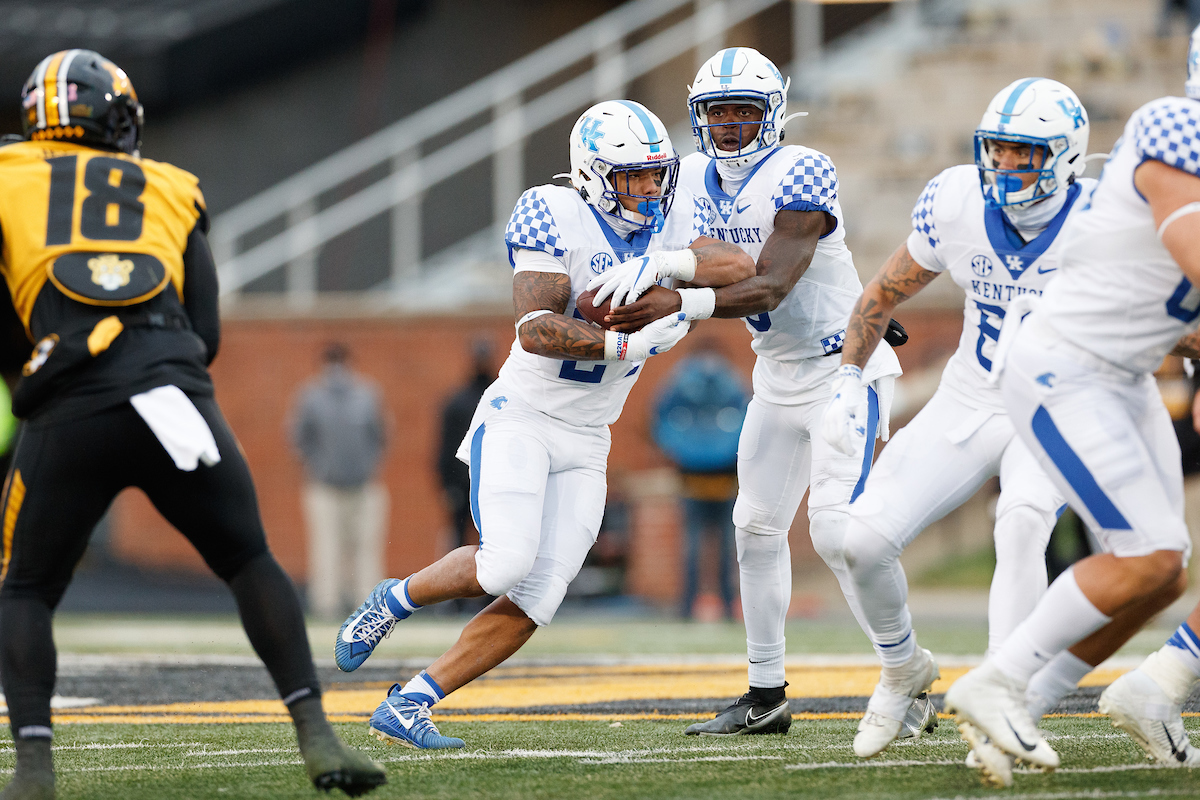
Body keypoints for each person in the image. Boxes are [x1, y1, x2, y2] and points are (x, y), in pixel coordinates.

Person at [0, 50, 385, 799]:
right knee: (249, 561)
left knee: (24, 589)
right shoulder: (170, 186)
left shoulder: (10, 175)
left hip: (70, 403)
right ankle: (316, 732)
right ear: (115, 121)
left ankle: (35, 771)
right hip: (172, 396)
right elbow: (204, 330)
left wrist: (33, 363)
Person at [333, 100, 755, 750]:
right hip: (524, 417)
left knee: (540, 595)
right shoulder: (552, 210)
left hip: (589, 437)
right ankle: (393, 601)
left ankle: (411, 702)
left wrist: (670, 268)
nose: (651, 189)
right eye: (634, 176)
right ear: (593, 175)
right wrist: (624, 343)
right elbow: (535, 329)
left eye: (656, 174)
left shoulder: (670, 217)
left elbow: (741, 268)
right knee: (504, 565)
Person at [591, 47, 910, 737]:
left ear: (774, 113)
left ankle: (906, 675)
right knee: (755, 528)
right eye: (718, 111)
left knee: (837, 532)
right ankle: (766, 694)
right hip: (776, 374)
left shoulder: (803, 168)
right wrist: (646, 312)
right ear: (698, 116)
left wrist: (677, 296)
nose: (730, 124)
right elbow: (695, 270)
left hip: (844, 368)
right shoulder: (686, 179)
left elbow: (770, 285)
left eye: (744, 110)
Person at [941, 28, 1200, 784]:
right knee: (1147, 554)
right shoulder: (1173, 128)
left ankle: (1027, 702)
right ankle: (998, 678)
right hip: (1065, 369)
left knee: (1164, 574)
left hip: (1123, 377)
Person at [820, 78, 1094, 762]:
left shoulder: (1103, 219)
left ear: (1066, 156)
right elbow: (883, 290)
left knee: (1023, 522)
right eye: (998, 149)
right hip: (970, 397)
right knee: (861, 541)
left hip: (1057, 404)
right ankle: (901, 667)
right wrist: (848, 378)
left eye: (1024, 153)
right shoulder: (958, 201)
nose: (1005, 164)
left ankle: (1004, 698)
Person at [291, 342, 388, 621]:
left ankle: (368, 606)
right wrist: (318, 467)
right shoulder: (311, 396)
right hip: (325, 487)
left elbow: (381, 435)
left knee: (366, 548)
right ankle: (327, 605)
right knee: (326, 548)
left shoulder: (366, 394)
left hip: (364, 486)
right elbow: (298, 438)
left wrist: (369, 467)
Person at [651, 341, 747, 619]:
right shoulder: (732, 382)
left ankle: (687, 609)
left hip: (695, 479)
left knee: (695, 546)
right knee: (724, 548)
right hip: (722, 480)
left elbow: (661, 421)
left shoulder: (679, 382)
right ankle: (726, 609)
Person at [435, 338, 495, 552]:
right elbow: (446, 445)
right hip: (462, 486)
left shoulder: (499, 397)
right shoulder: (458, 401)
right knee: (457, 542)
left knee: (494, 542)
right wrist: (447, 484)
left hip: (493, 482)